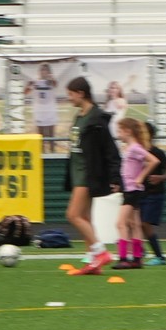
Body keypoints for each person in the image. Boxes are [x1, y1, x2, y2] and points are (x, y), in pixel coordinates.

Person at [64, 76, 122, 275]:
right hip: (77, 171)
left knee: (72, 215)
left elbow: (110, 150)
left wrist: (115, 177)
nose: (69, 98)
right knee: (85, 217)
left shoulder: (96, 119)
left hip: (88, 174)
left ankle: (100, 252)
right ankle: (93, 262)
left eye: (71, 94)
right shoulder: (79, 116)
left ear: (81, 93)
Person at [112, 118, 160, 269]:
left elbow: (153, 161)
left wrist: (140, 177)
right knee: (135, 224)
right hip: (131, 189)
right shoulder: (129, 148)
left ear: (128, 131)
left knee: (120, 223)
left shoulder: (134, 148)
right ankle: (137, 258)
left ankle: (123, 258)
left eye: (120, 131)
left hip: (132, 191)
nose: (118, 134)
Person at [140, 121, 166, 266]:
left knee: (145, 224)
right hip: (140, 193)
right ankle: (141, 251)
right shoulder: (136, 151)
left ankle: (160, 256)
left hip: (154, 194)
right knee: (136, 224)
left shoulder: (157, 153)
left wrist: (160, 177)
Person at [24, 64, 59, 152]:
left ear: (49, 72)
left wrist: (51, 78)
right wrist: (28, 85)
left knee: (51, 135)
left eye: (46, 70)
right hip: (39, 111)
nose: (44, 72)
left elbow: (55, 84)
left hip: (50, 110)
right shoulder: (35, 81)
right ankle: (42, 154)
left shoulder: (50, 81)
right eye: (42, 70)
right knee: (40, 135)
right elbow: (25, 92)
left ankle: (52, 153)